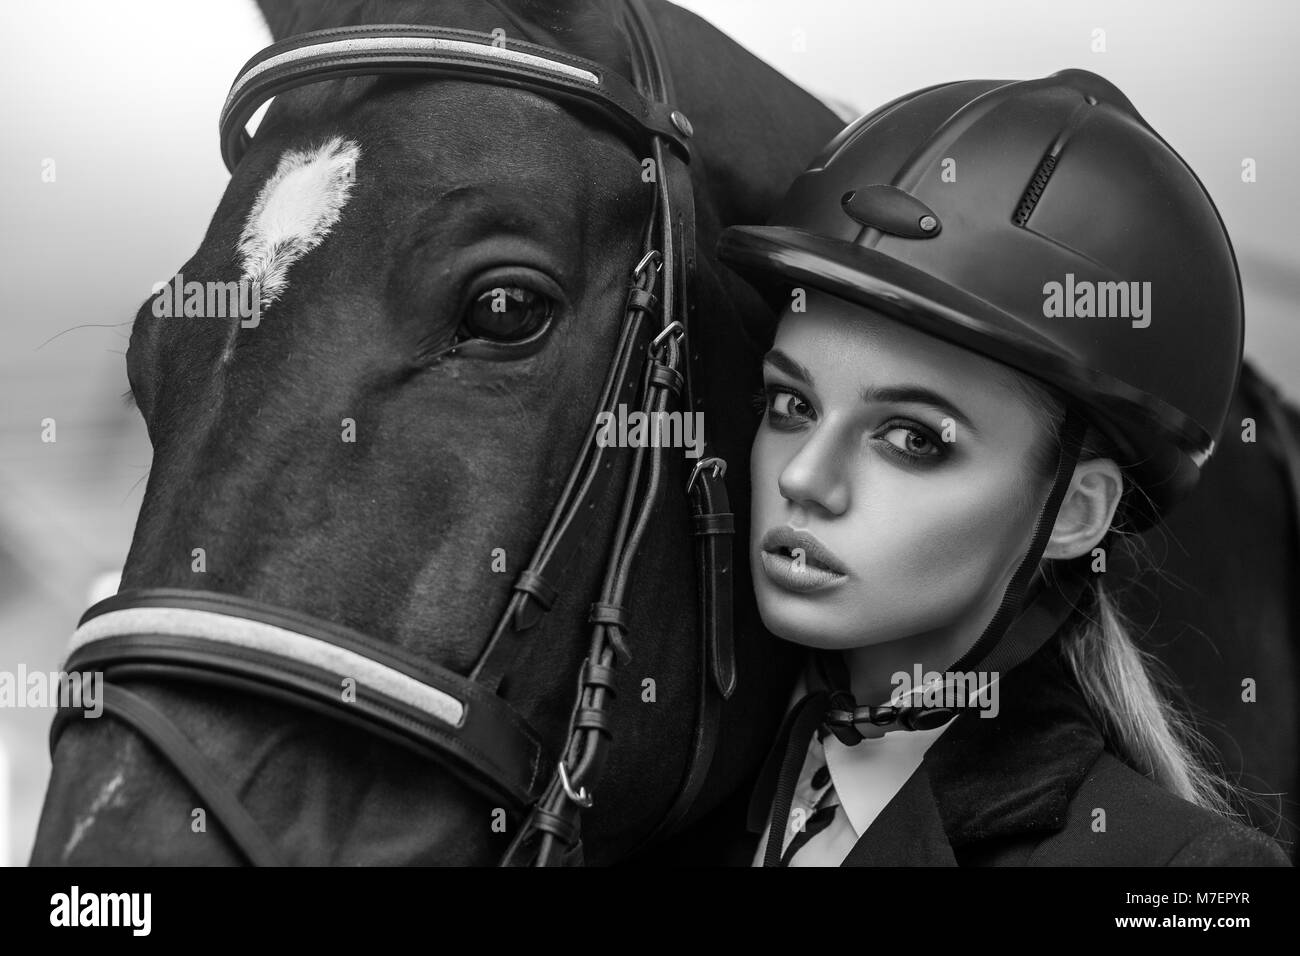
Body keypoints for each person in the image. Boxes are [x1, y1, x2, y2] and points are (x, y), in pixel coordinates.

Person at [714, 69, 1291, 866]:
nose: (804, 478)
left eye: (914, 439)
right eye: (791, 407)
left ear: (1076, 512)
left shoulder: (1184, 876)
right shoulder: (651, 801)